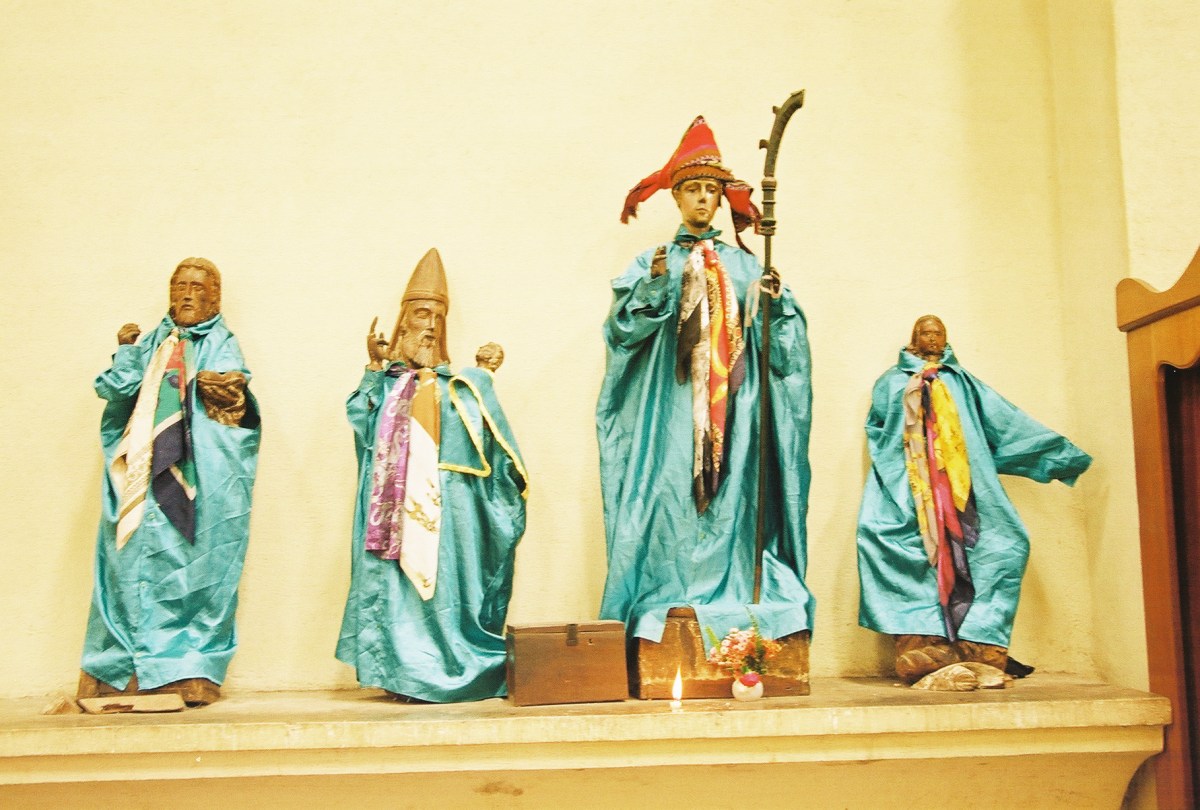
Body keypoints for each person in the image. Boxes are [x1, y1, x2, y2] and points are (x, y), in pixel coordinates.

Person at [597, 116, 815, 645]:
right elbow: (622, 333)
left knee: (734, 497)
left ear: (720, 198)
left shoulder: (745, 267)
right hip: (670, 410)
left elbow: (782, 353)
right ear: (675, 196)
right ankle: (665, 596)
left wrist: (777, 306)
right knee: (668, 495)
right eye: (692, 188)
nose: (701, 198)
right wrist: (652, 290)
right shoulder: (652, 263)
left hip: (734, 410)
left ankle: (734, 593)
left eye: (711, 190)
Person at [337, 248, 528, 702]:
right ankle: (398, 674)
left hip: (448, 516)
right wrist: (373, 369)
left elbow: (486, 447)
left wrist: (483, 379)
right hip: (389, 512)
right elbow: (364, 428)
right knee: (392, 589)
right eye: (421, 315)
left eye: (437, 318)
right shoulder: (385, 385)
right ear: (402, 323)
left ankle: (443, 669)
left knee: (443, 594)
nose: (429, 326)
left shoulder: (456, 387)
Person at [856, 315, 1092, 683]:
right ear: (915, 337)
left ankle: (980, 645)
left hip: (967, 489)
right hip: (910, 485)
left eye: (939, 332)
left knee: (1004, 543)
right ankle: (923, 643)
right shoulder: (891, 382)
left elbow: (1006, 423)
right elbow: (881, 432)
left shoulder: (962, 383)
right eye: (926, 332)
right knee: (895, 544)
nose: (933, 338)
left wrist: (1059, 458)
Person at [78, 257, 261, 706]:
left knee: (197, 571)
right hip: (142, 478)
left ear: (214, 298)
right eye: (180, 286)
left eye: (198, 287)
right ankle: (120, 668)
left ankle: (189, 668)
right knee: (127, 566)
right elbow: (115, 389)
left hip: (199, 482)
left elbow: (234, 404)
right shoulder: (152, 343)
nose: (187, 294)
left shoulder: (221, 343)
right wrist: (126, 352)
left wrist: (227, 389)